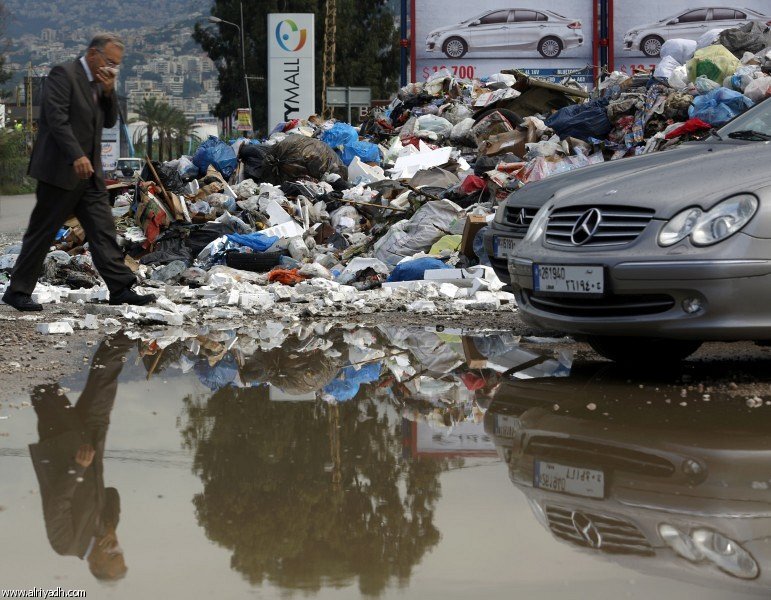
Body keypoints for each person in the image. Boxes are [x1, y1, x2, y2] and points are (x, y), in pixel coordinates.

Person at [2, 33, 155, 311]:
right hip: (60, 171)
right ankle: (17, 291)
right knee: (43, 232)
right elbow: (56, 118)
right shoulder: (65, 74)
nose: (112, 68)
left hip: (90, 175)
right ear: (93, 54)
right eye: (109, 62)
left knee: (102, 229)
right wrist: (76, 155)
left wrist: (109, 91)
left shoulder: (100, 84)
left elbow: (109, 121)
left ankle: (120, 288)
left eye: (116, 65)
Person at [29, 334, 134, 580]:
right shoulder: (105, 531)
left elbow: (58, 503)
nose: (114, 548)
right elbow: (112, 493)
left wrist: (77, 468)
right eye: (120, 551)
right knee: (104, 381)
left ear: (94, 565)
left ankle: (19, 335)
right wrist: (110, 525)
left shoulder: (65, 545)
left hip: (62, 444)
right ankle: (128, 332)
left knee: (41, 383)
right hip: (93, 438)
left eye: (112, 555)